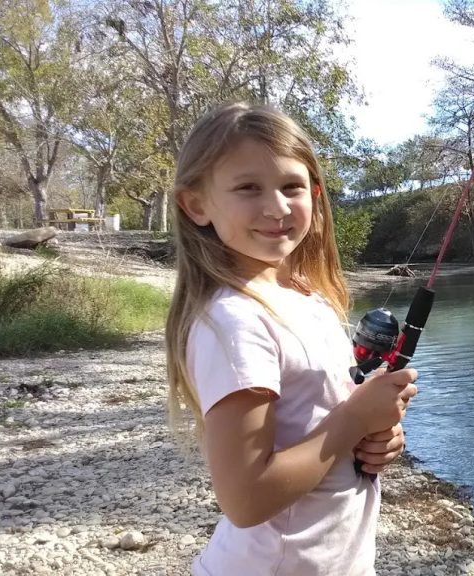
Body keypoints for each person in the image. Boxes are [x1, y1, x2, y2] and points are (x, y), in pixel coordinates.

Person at [163, 102, 418, 575]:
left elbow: (321, 419)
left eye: (291, 187)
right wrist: (354, 418)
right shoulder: (235, 323)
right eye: (247, 188)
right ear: (196, 204)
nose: (276, 207)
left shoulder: (307, 297)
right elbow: (246, 498)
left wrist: (377, 433)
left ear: (315, 195)